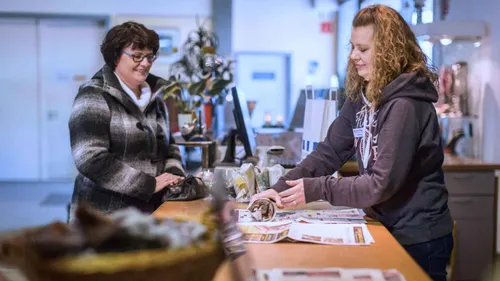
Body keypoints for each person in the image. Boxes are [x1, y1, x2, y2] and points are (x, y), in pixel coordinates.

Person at [252, 5, 453, 281]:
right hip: (384, 225)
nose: (353, 56)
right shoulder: (364, 94)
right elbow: (329, 153)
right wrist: (277, 191)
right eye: (352, 47)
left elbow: (380, 184)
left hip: (417, 237)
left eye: (363, 49)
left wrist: (316, 189)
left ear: (389, 50)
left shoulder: (405, 105)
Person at [69, 21, 185, 216]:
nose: (146, 63)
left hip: (152, 211)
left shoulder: (155, 99)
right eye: (137, 56)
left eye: (149, 57)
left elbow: (170, 147)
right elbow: (90, 158)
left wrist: (174, 177)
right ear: (115, 57)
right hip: (104, 216)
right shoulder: (93, 96)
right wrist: (148, 184)